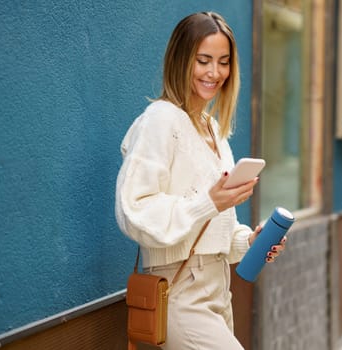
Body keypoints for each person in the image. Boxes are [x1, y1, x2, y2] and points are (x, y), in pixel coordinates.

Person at [115, 11, 287, 349]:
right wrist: (209, 201)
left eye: (223, 62)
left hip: (217, 287)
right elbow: (133, 211)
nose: (215, 73)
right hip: (178, 287)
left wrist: (249, 242)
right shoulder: (160, 121)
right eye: (203, 60)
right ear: (181, 60)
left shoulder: (213, 130)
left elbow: (214, 224)